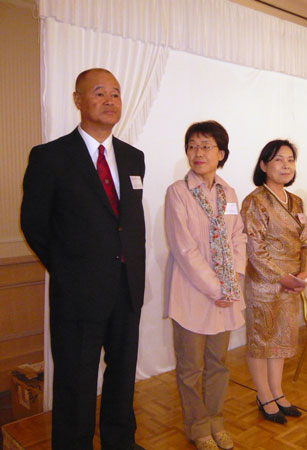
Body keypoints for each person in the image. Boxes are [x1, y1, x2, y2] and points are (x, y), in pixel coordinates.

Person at [21, 68, 146, 449]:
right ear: (78, 100)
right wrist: (69, 269)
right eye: (100, 92)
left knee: (122, 376)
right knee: (75, 382)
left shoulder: (133, 158)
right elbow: (34, 224)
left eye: (116, 93)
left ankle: (119, 441)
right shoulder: (50, 157)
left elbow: (128, 222)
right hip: (77, 295)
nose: (110, 100)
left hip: (126, 290)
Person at [164, 121, 246, 450]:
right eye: (192, 146)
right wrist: (217, 288)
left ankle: (216, 421)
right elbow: (183, 249)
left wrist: (234, 279)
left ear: (221, 153)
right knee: (190, 368)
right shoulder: (178, 192)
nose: (198, 153)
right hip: (192, 293)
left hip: (226, 293)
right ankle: (198, 427)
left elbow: (238, 237)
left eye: (206, 146)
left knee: (218, 364)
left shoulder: (229, 193)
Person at [241, 140, 307, 424]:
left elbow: (305, 241)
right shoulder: (254, 201)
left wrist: (303, 272)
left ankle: (277, 392)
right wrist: (282, 277)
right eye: (278, 159)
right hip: (264, 283)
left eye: (290, 160)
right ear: (263, 165)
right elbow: (254, 249)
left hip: (291, 283)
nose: (285, 165)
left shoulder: (297, 202)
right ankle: (263, 394)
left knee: (281, 339)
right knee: (261, 339)